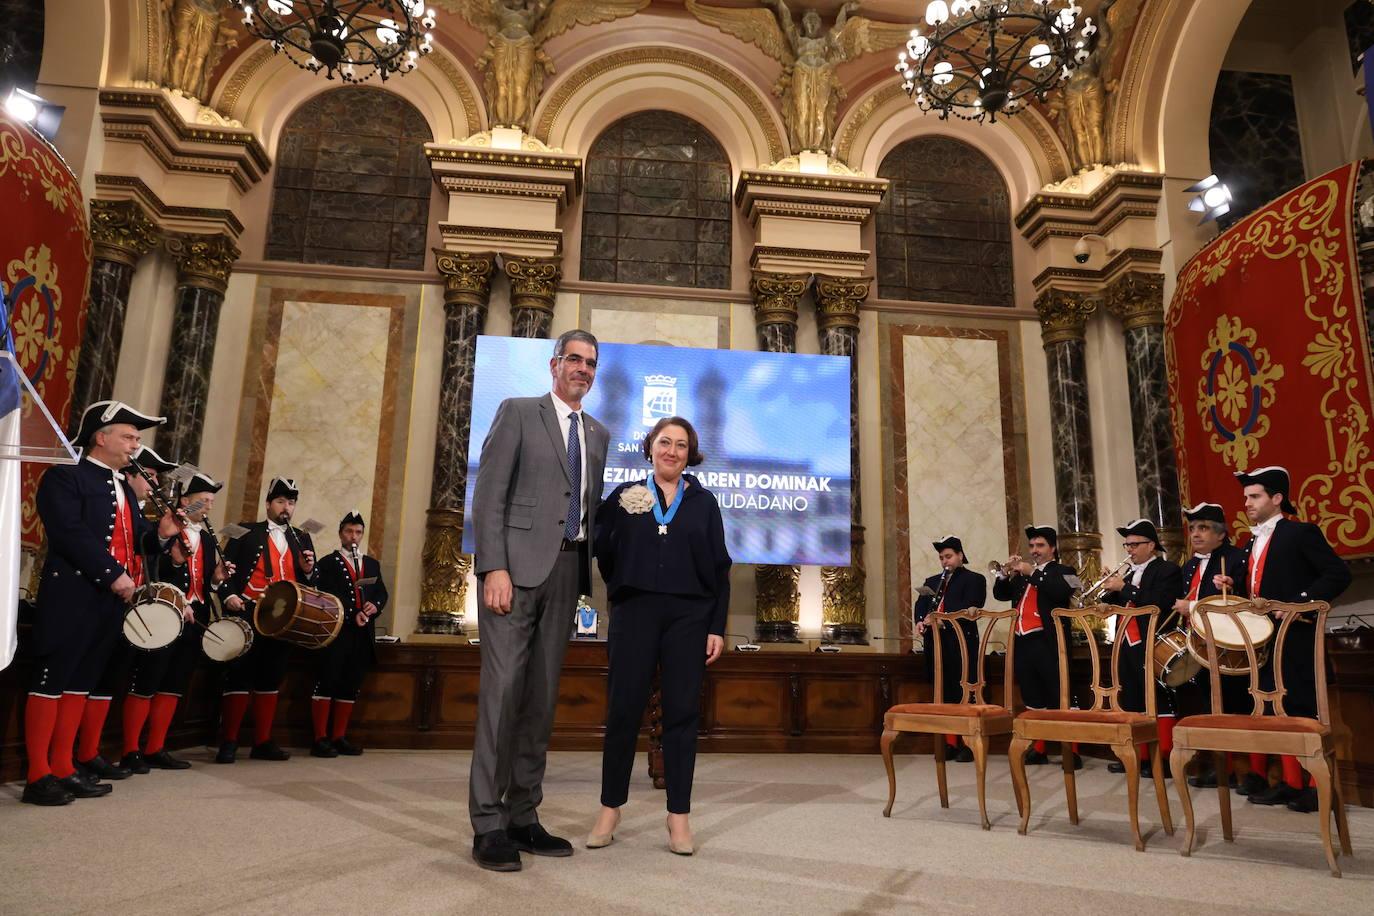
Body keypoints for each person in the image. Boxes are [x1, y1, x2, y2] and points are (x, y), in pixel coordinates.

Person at [468, 329, 610, 872]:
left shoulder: (596, 433)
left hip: (568, 572)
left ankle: (523, 815)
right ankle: (487, 823)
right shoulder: (518, 411)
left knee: (541, 700)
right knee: (502, 696)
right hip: (514, 574)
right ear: (555, 365)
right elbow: (490, 495)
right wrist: (494, 567)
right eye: (574, 359)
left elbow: (591, 510)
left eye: (590, 363)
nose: (582, 369)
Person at [21, 402, 180, 806]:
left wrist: (161, 534)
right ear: (101, 436)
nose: (135, 445)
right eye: (129, 436)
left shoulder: (123, 487)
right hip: (72, 595)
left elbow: (138, 539)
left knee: (81, 683)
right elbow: (70, 533)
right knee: (52, 681)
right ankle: (37, 773)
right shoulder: (65, 477)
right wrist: (113, 574)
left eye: (137, 439)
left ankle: (62, 766)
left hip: (109, 601)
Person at [587, 417, 731, 856]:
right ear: (649, 447)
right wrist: (628, 589)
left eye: (681, 445)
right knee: (623, 710)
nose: (672, 451)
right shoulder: (624, 495)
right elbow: (605, 552)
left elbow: (720, 569)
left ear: (691, 454)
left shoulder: (704, 503)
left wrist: (715, 626)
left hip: (689, 617)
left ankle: (679, 817)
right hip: (635, 613)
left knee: (682, 715)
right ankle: (610, 807)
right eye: (664, 442)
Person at [1214, 466, 1351, 812]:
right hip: (1266, 640)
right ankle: (1291, 784)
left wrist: (1299, 603)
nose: (1247, 503)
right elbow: (1259, 589)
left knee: (1302, 707)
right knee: (1278, 709)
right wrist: (1236, 588)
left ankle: (1317, 788)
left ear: (1277, 499)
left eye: (1255, 496)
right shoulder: (1250, 543)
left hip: (1298, 636)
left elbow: (1338, 573)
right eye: (1246, 497)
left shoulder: (1300, 533)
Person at [75, 444, 180, 783]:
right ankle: (77, 754)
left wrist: (163, 537)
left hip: (126, 607)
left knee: (107, 682)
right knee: (85, 681)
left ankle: (89, 752)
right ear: (130, 475)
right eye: (148, 476)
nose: (152, 484)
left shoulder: (134, 509)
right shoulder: (113, 500)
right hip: (96, 597)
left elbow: (144, 556)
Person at [121, 472, 228, 773]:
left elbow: (205, 582)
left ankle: (155, 747)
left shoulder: (206, 538)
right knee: (147, 681)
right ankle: (130, 749)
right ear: (184, 501)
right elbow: (152, 568)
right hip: (165, 613)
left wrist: (217, 581)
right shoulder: (163, 530)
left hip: (196, 617)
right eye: (203, 501)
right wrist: (177, 561)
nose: (208, 507)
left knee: (174, 684)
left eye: (210, 502)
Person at [216, 477, 317, 763]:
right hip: (247, 611)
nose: (287, 507)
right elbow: (224, 572)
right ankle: (230, 741)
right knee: (239, 674)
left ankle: (262, 741)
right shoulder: (244, 531)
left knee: (271, 677)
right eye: (282, 501)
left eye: (291, 502)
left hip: (283, 617)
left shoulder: (302, 537)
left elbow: (312, 580)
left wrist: (308, 571)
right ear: (269, 503)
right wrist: (228, 597)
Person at [1173, 502, 1250, 790]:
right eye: (1192, 528)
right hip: (1200, 645)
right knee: (1209, 706)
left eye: (1203, 528)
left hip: (1228, 647)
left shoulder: (1235, 558)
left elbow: (1243, 600)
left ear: (1220, 534)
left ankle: (1244, 771)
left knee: (1233, 706)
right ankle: (1222, 766)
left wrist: (1191, 606)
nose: (1195, 534)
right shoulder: (1191, 564)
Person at [1099, 519, 1184, 777]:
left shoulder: (1167, 569)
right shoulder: (1127, 573)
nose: (1129, 550)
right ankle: (1141, 756)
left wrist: (1124, 588)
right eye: (1127, 545)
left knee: (1157, 699)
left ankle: (1165, 757)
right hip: (1126, 641)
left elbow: (1158, 603)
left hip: (1154, 642)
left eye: (1134, 544)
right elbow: (1114, 600)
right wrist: (1108, 593)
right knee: (1133, 698)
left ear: (1151, 545)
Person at [992, 525, 1078, 767]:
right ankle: (1038, 750)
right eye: (1031, 546)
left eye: (1040, 546)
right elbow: (1000, 594)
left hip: (1048, 642)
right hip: (1022, 642)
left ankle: (1072, 752)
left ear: (1053, 548)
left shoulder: (1065, 570)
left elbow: (1062, 592)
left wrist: (1033, 573)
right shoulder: (1022, 575)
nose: (1035, 550)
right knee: (1032, 696)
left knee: (1059, 695)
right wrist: (1003, 573)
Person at [310, 510, 389, 758]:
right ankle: (320, 738)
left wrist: (374, 607)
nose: (353, 536)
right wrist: (352, 611)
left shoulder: (372, 563)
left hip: (362, 634)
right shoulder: (327, 563)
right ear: (340, 533)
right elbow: (326, 595)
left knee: (350, 684)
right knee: (328, 680)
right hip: (337, 632)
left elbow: (381, 593)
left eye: (357, 532)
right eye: (348, 531)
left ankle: (339, 736)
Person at [913, 535, 986, 762]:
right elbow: (921, 605)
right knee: (942, 693)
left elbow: (973, 604)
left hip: (960, 641)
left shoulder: (974, 579)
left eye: (949, 556)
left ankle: (967, 744)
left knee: (962, 692)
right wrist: (920, 620)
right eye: (942, 557)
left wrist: (942, 618)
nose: (945, 561)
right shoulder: (932, 580)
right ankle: (949, 742)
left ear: (960, 556)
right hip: (936, 643)